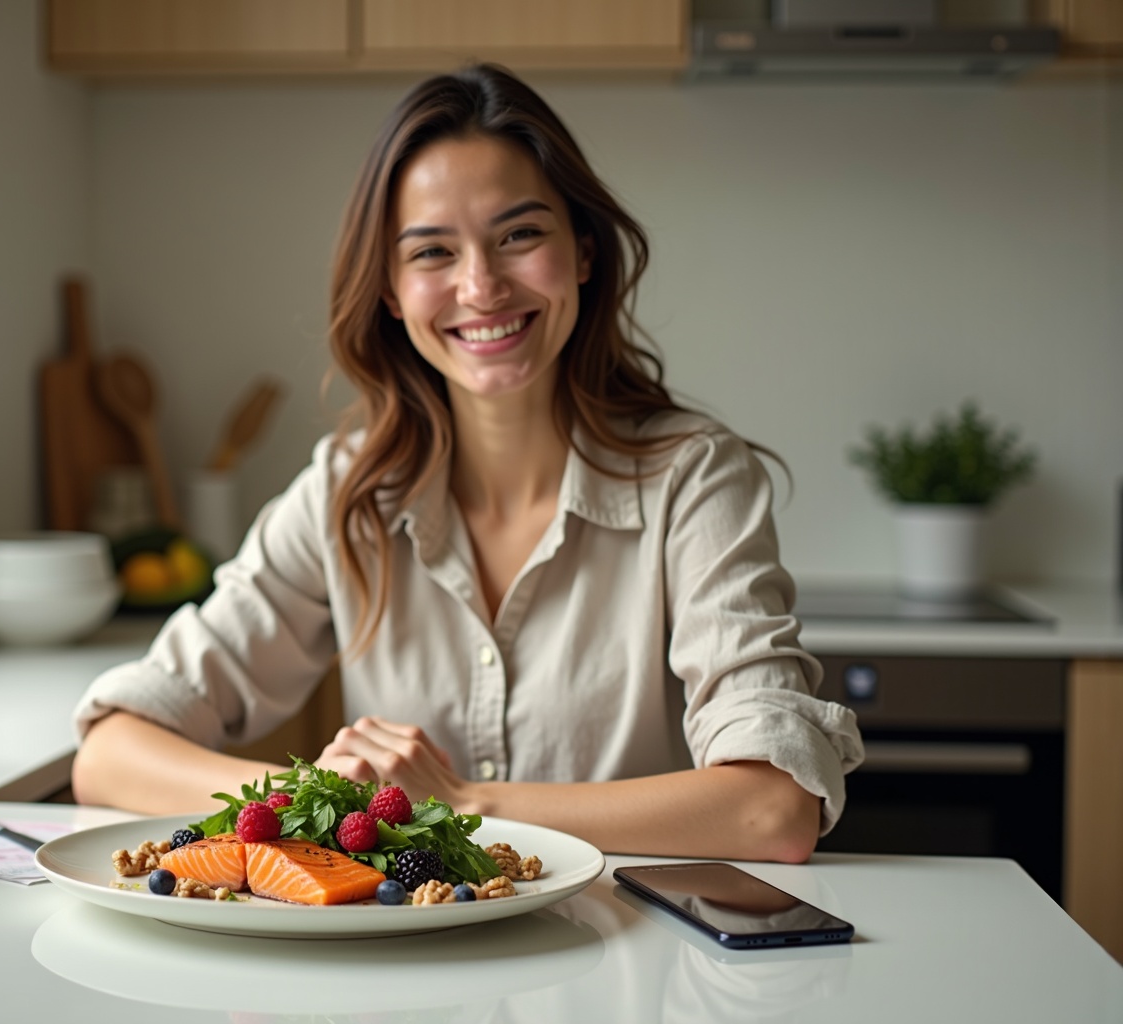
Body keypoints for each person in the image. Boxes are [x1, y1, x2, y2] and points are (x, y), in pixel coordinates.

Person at [71, 64, 862, 862]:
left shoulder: (695, 478)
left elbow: (774, 809)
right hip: (410, 942)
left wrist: (461, 806)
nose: (481, 287)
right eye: (432, 252)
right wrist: (324, 803)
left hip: (628, 937)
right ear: (390, 291)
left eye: (519, 236)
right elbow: (109, 755)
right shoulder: (347, 491)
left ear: (583, 252)